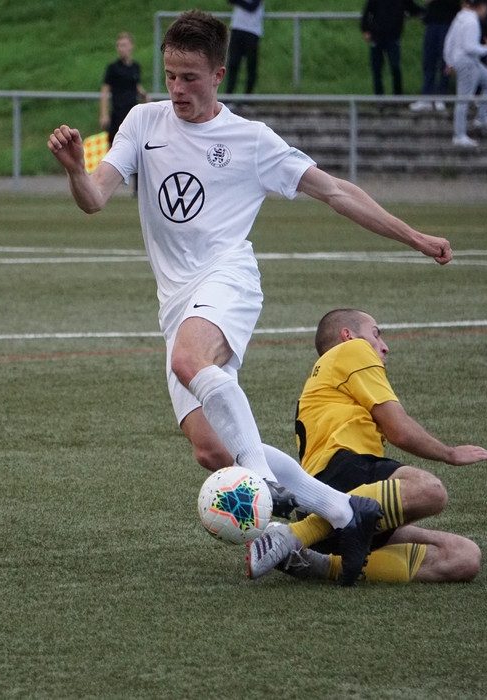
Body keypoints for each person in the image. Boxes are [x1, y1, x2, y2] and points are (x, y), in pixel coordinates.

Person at [47, 10, 456, 586]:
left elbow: (336, 192)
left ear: (219, 74)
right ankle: (346, 513)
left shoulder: (252, 140)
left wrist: (415, 237)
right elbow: (94, 198)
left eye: (190, 77)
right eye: (170, 76)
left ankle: (266, 487)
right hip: (176, 301)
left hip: (228, 277)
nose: (177, 88)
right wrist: (74, 169)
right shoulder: (142, 121)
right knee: (214, 452)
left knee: (190, 362)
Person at [250, 309, 487, 583]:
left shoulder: (328, 376)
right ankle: (294, 534)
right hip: (338, 477)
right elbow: (399, 431)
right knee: (429, 490)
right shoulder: (353, 349)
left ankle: (318, 563)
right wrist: (450, 453)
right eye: (376, 334)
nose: (384, 346)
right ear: (348, 335)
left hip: (339, 496)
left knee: (463, 557)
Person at [444, 0, 487, 148]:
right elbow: (470, 47)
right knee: (464, 98)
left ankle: (482, 117)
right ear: (481, 7)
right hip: (467, 63)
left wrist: (448, 60)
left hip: (469, 61)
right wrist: (486, 48)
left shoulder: (460, 18)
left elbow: (449, 40)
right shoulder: (472, 22)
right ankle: (459, 135)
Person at [360, 0, 423, 98]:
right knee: (377, 69)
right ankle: (379, 98)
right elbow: (367, 12)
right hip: (377, 37)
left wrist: (430, 9)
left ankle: (398, 97)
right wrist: (365, 29)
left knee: (395, 67)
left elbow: (412, 8)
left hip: (393, 37)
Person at [409, 0, 461, 112]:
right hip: (432, 22)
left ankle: (441, 97)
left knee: (445, 60)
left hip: (447, 22)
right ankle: (427, 97)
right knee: (429, 61)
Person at [101, 32, 148, 146]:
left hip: (131, 111)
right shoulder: (113, 68)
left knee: (134, 143)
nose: (121, 48)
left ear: (131, 46)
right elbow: (105, 90)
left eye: (124, 45)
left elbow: (135, 85)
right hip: (118, 112)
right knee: (115, 144)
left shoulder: (135, 67)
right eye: (119, 45)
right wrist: (104, 114)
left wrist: (144, 96)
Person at [223, 0, 265, 97]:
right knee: (233, 63)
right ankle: (229, 94)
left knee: (251, 64)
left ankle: (248, 96)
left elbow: (252, 7)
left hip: (252, 30)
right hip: (237, 28)